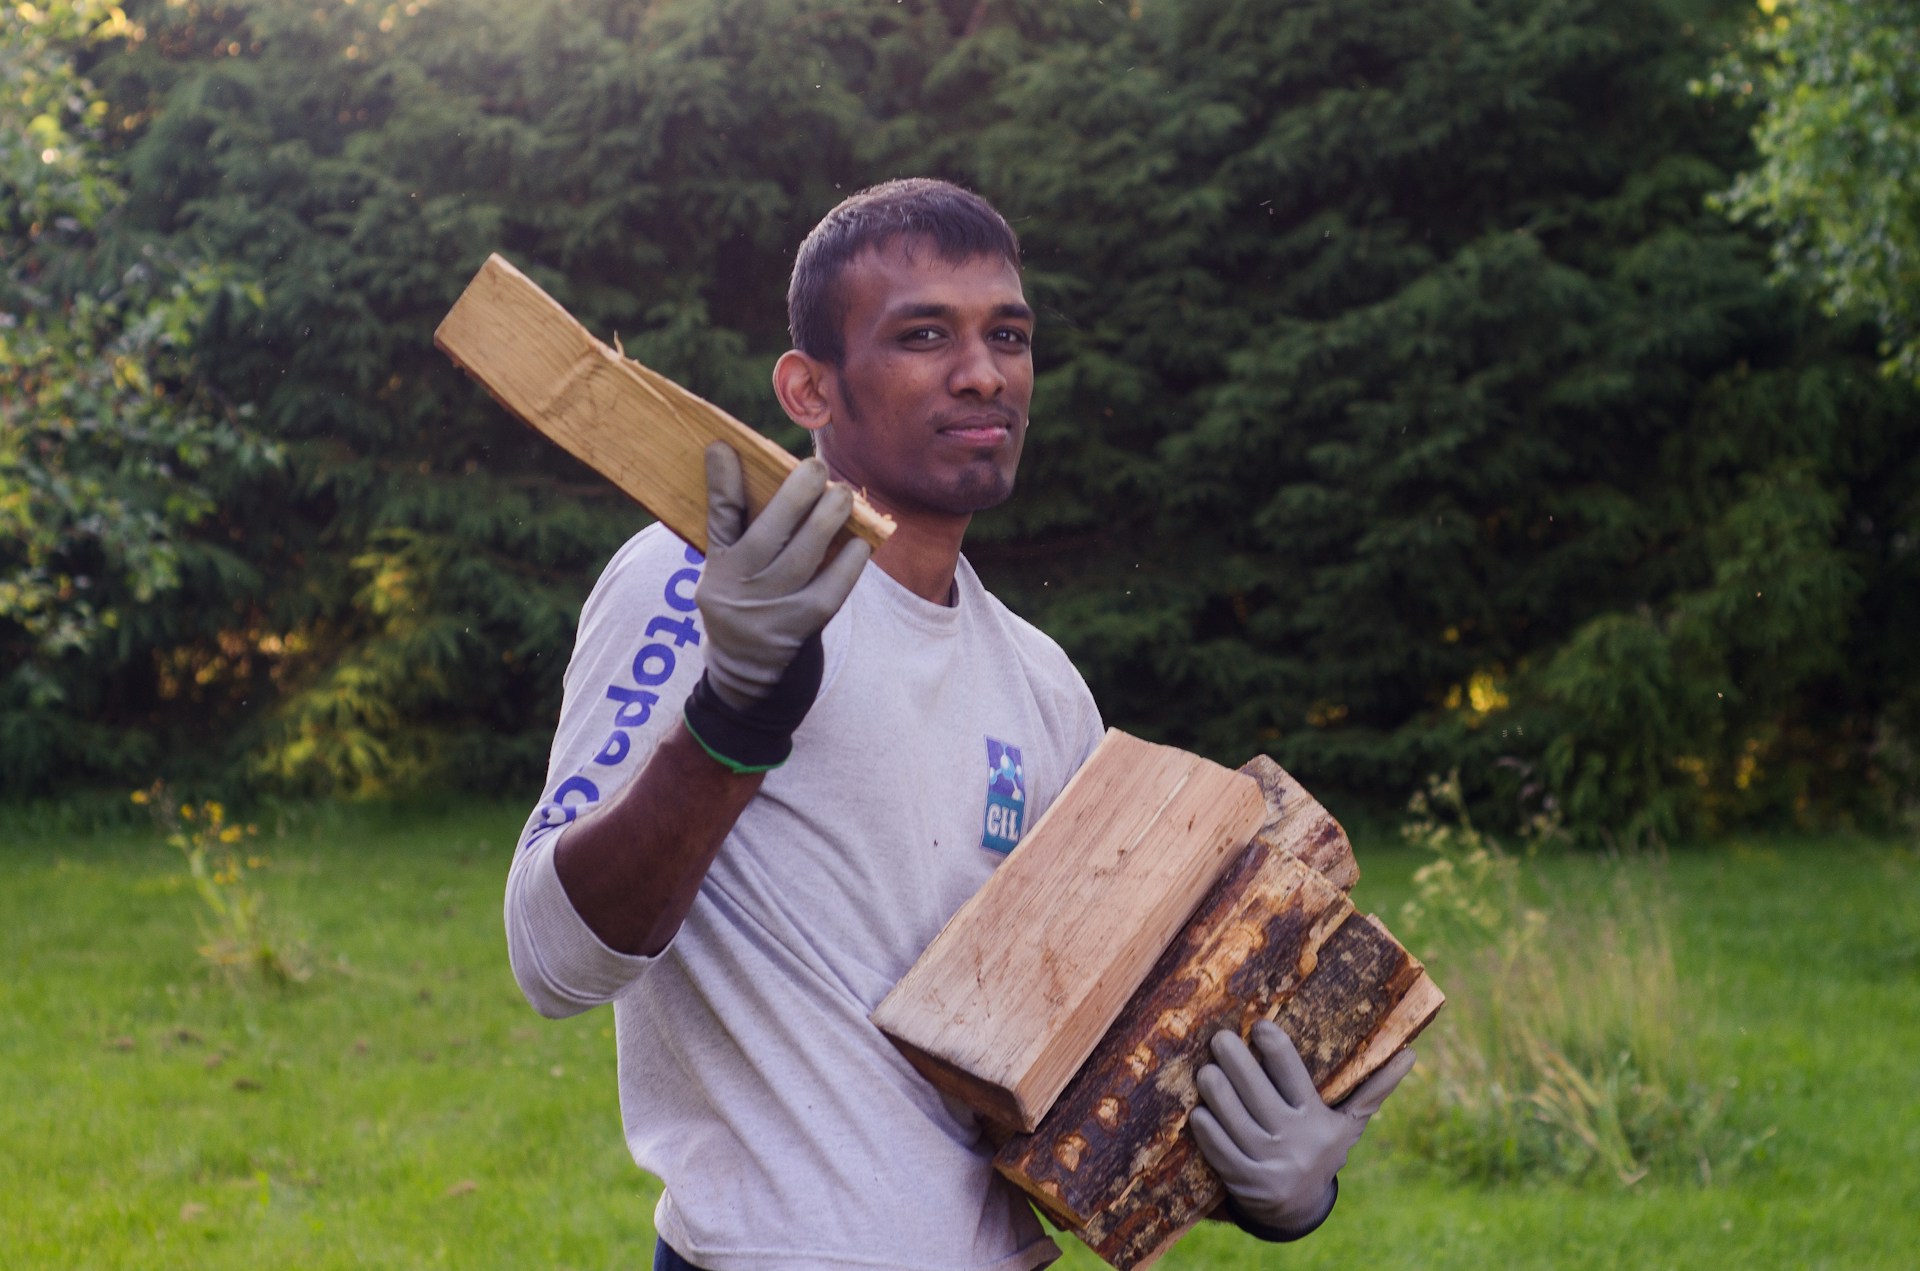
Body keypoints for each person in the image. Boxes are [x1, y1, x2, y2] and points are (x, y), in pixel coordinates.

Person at [504, 178, 1412, 1271]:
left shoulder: (1042, 684)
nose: (983, 371)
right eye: (923, 334)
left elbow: (1084, 1071)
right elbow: (552, 957)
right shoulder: (700, 572)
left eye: (1009, 335)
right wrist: (731, 718)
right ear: (809, 386)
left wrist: (1270, 1184)